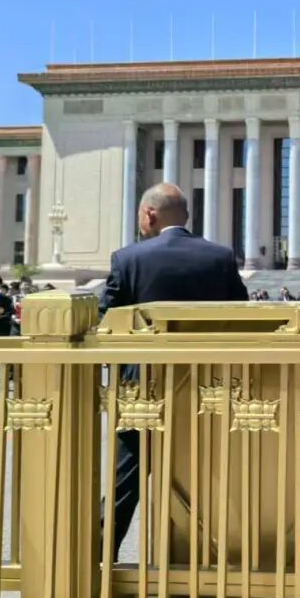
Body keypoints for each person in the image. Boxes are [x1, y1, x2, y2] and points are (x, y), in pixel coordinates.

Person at [99, 183, 248, 560]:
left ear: (149, 214)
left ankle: (98, 556)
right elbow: (246, 318)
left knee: (125, 480)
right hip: (209, 389)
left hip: (143, 392)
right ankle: (222, 562)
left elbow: (103, 324)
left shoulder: (128, 259)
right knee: (216, 476)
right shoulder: (219, 257)